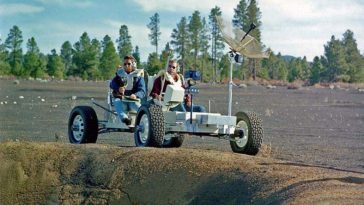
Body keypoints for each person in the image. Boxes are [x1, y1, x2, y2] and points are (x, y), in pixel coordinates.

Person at [110, 55, 145, 125]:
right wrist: (118, 88)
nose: (126, 66)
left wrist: (135, 95)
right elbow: (112, 84)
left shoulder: (138, 77)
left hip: (133, 100)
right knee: (116, 101)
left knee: (140, 108)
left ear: (133, 64)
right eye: (125, 64)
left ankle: (145, 122)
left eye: (129, 64)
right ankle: (125, 119)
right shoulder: (120, 74)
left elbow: (142, 91)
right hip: (122, 99)